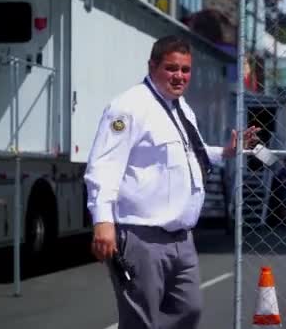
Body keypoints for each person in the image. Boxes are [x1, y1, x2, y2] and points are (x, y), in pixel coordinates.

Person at [84, 35, 259, 329]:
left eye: (185, 70)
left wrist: (227, 152)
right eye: (171, 68)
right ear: (152, 66)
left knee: (188, 311)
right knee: (141, 321)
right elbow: (103, 167)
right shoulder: (129, 107)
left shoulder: (181, 107)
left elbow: (191, 154)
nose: (179, 76)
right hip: (142, 236)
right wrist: (103, 222)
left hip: (181, 239)